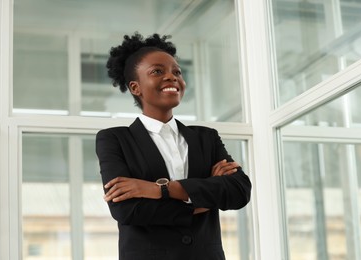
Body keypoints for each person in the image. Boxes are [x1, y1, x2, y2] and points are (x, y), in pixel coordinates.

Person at [96, 32, 252, 260]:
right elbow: (127, 210)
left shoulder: (206, 138)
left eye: (177, 72)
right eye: (157, 71)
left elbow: (239, 191)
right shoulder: (114, 139)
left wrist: (160, 190)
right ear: (135, 87)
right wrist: (205, 198)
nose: (172, 77)